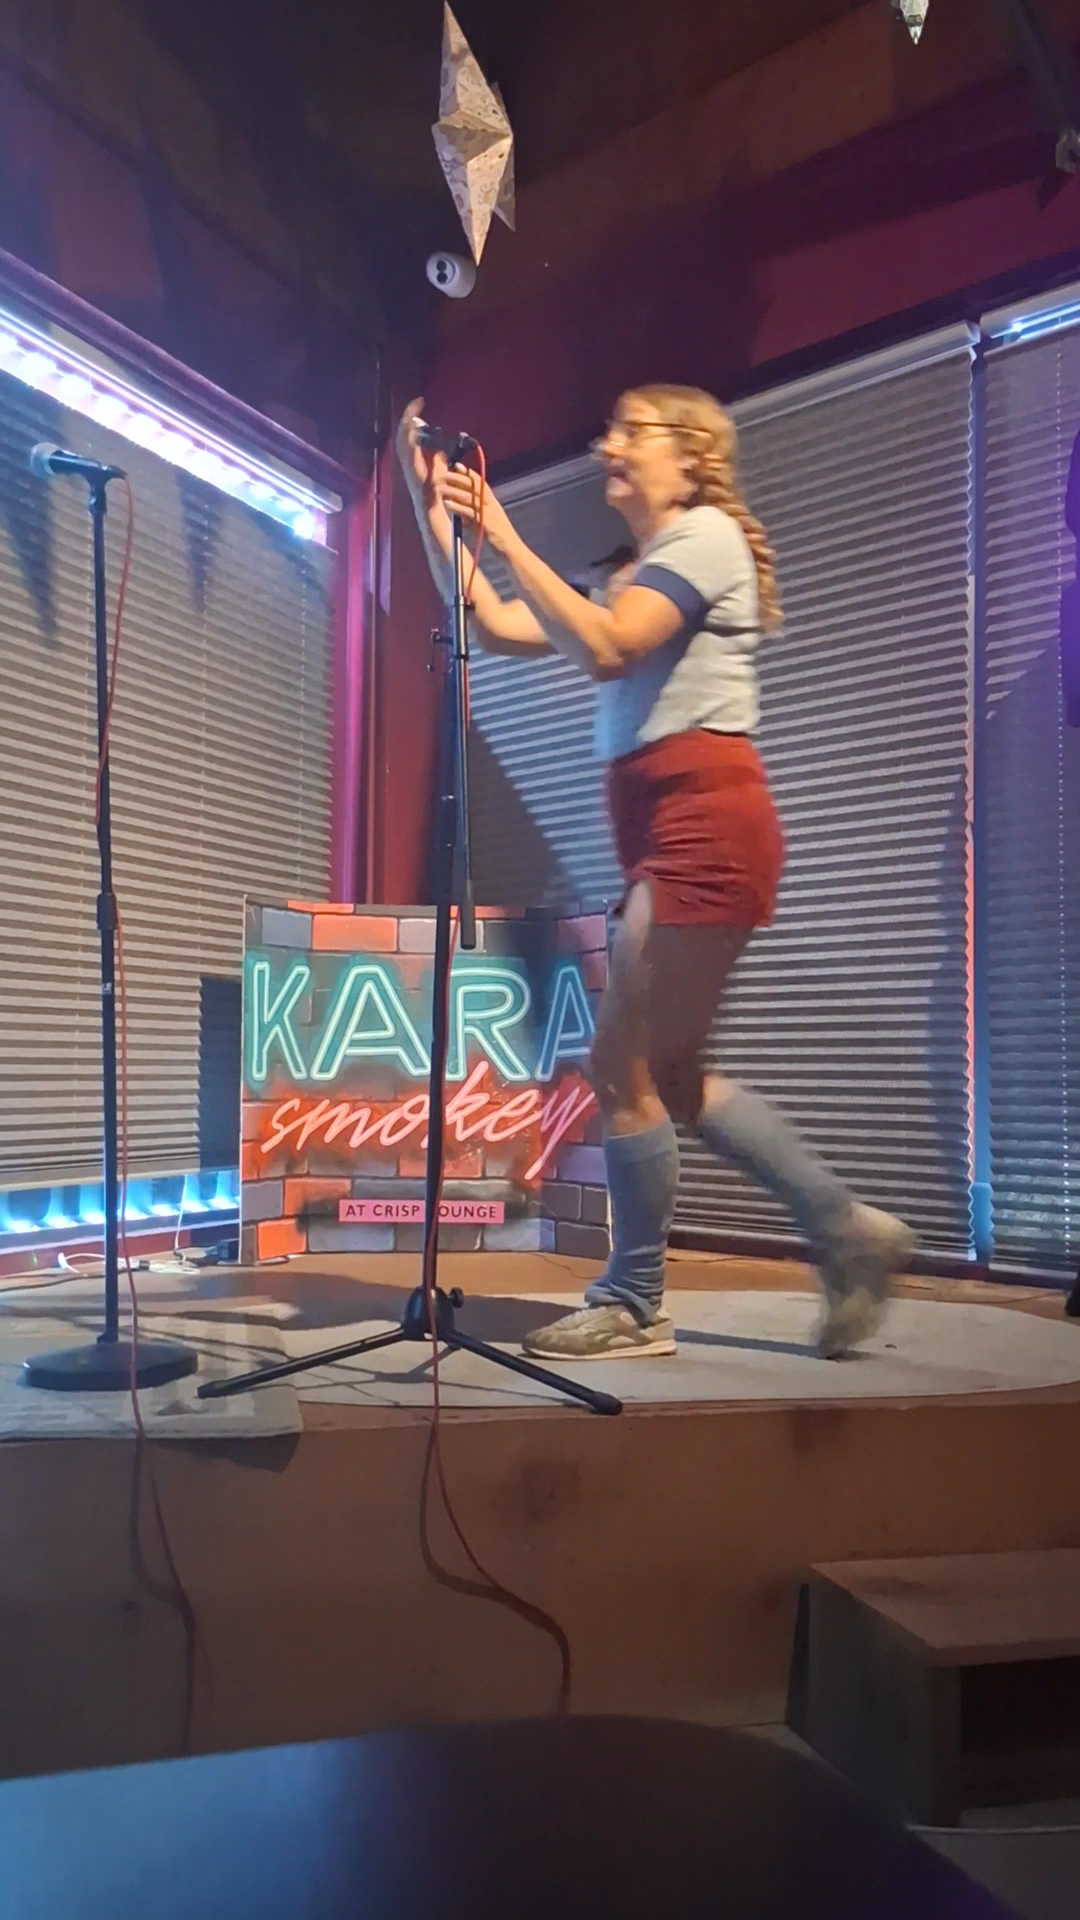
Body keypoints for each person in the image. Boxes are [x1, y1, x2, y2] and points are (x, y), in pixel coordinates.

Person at [396, 388, 915, 1361]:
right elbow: (495, 623)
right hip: (667, 834)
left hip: (704, 828)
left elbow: (606, 648)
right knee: (668, 1076)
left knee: (620, 1063)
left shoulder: (705, 536)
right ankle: (844, 1226)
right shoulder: (633, 573)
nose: (610, 444)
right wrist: (436, 515)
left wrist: (498, 525)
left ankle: (635, 1302)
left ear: (693, 457)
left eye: (632, 431)